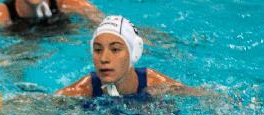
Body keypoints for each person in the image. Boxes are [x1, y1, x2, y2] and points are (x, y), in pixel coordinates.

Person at [57, 15, 188, 98]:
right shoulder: (80, 92)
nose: (104, 58)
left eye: (115, 49)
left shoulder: (156, 85)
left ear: (134, 53)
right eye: (97, 49)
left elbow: (202, 97)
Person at [0, 0, 104, 31]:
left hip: (60, 37)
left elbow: (104, 22)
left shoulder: (66, 3)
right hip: (21, 46)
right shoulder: (1, 14)